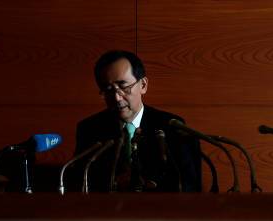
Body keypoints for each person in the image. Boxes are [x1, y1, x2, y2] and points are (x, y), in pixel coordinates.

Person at [73, 50, 202, 192]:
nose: (116, 97)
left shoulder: (171, 126)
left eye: (123, 87)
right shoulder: (89, 129)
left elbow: (190, 186)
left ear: (143, 85)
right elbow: (79, 184)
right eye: (108, 89)